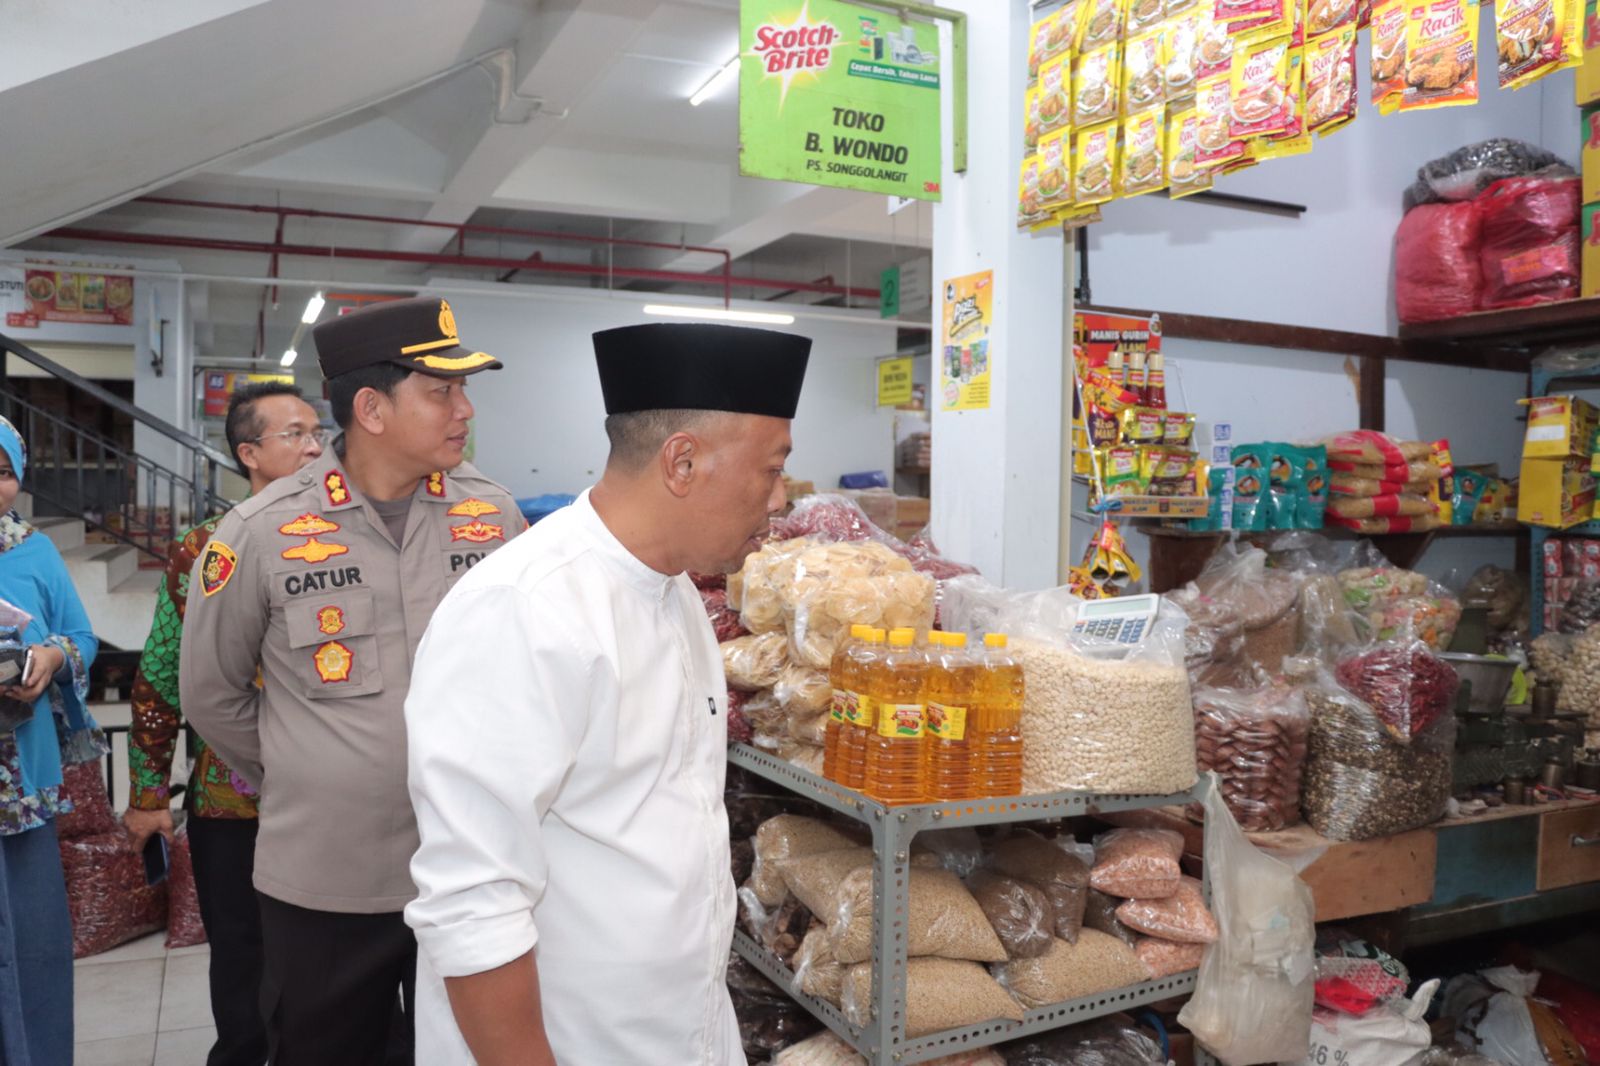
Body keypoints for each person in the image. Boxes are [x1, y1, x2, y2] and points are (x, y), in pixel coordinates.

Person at [405, 322, 810, 1064]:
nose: (780, 499)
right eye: (772, 469)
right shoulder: (525, 609)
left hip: (675, 1029)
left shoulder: (674, 590)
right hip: (571, 1042)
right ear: (683, 462)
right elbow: (473, 904)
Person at [179, 298, 525, 1066]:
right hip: (326, 882)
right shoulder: (262, 532)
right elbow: (210, 693)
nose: (465, 409)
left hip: (469, 869)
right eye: (441, 391)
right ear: (371, 409)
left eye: (463, 390)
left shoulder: (493, 517)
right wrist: (307, 767)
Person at [124, 381, 326, 1066]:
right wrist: (148, 792)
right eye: (294, 434)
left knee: (338, 958)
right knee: (242, 962)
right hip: (232, 801)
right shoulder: (207, 548)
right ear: (249, 453)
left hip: (337, 796)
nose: (314, 447)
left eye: (318, 433)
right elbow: (161, 671)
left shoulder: (346, 538)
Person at [0, 414, 102, 1064]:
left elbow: (82, 637)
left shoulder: (33, 550)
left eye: (2, 472)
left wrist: (52, 658)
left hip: (21, 794)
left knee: (32, 951)